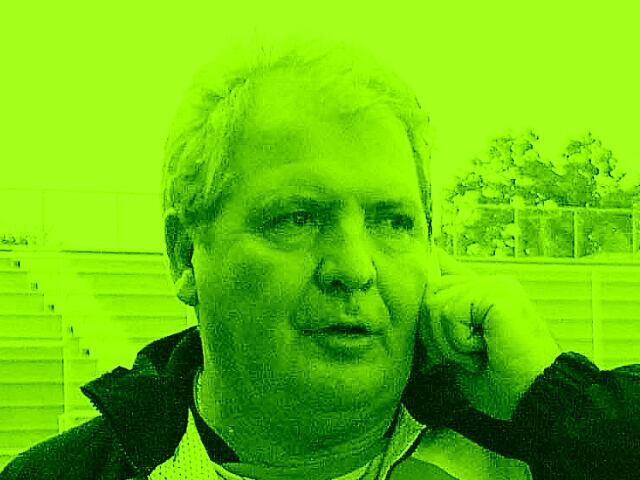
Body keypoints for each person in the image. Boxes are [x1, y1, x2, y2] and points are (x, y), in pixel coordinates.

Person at [1, 36, 639, 480]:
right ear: (184, 256)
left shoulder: (539, 454)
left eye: (392, 222)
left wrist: (562, 407)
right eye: (297, 218)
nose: (354, 267)